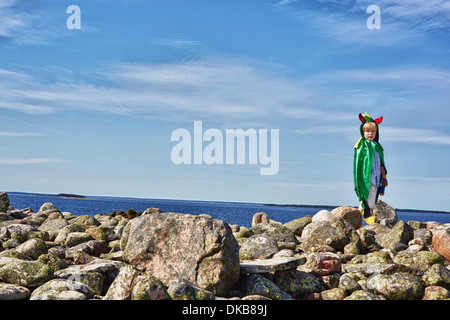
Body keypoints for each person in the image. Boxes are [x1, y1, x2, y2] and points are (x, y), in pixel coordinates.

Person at [353, 112, 388, 224]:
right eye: (367, 131)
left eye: (373, 131)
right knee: (369, 199)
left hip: (377, 178)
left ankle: (359, 214)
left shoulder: (378, 147)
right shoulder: (362, 146)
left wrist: (384, 176)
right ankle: (369, 218)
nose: (370, 133)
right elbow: (359, 165)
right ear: (363, 132)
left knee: (371, 197)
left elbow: (381, 163)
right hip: (367, 178)